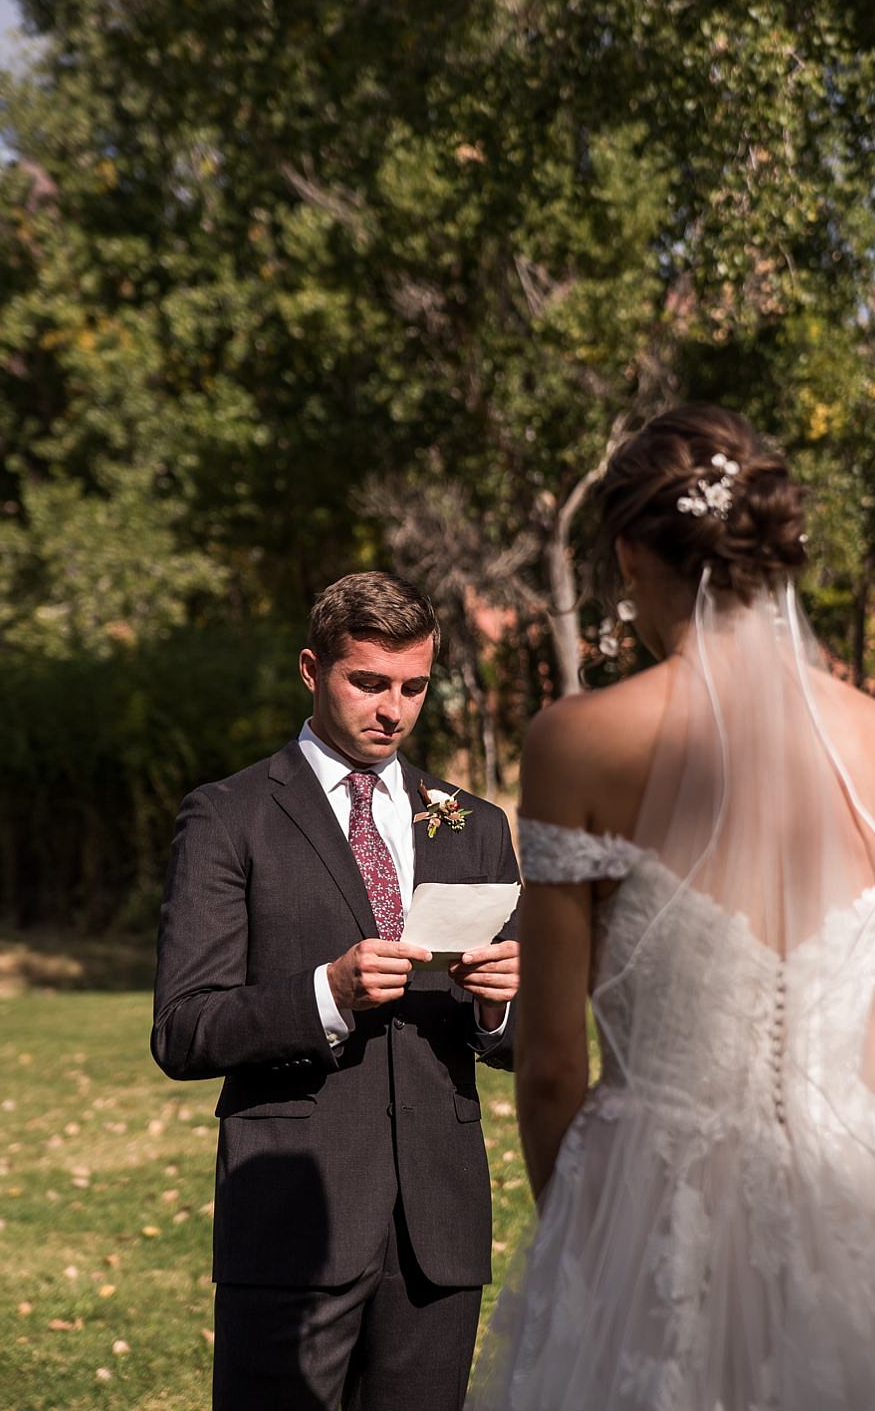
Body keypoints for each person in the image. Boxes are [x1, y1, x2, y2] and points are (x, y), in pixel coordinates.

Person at [469, 405, 875, 1408]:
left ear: (626, 553)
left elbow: (550, 1068)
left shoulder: (577, 741)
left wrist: (591, 1254)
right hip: (847, 1204)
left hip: (652, 1212)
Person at [151, 571, 521, 1411]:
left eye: (414, 687)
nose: (393, 709)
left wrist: (499, 1003)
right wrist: (327, 991)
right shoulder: (228, 816)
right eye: (370, 682)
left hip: (438, 1226)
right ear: (313, 670)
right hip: (292, 1217)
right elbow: (182, 1029)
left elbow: (521, 1043)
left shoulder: (474, 823)